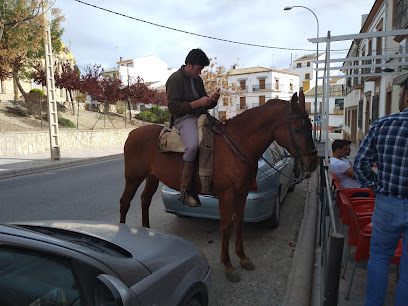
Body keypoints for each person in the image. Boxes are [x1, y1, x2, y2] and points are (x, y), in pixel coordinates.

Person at [353, 77, 408, 305]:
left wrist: (376, 186)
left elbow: (360, 164)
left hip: (388, 203)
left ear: (406, 96)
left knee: (379, 258)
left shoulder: (383, 124)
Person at [166, 48, 220, 207]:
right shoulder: (175, 79)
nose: (200, 72)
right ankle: (185, 190)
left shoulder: (197, 79)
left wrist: (213, 100)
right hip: (183, 118)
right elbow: (173, 108)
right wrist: (197, 103)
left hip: (200, 116)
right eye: (198, 69)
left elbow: (204, 103)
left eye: (201, 69)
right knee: (193, 146)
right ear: (189, 64)